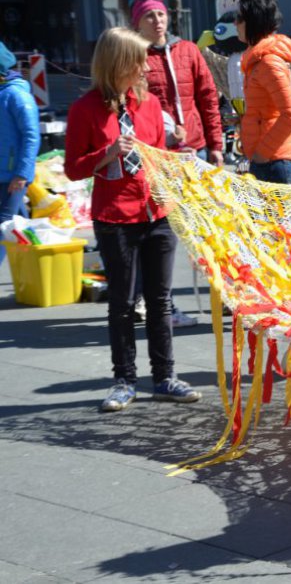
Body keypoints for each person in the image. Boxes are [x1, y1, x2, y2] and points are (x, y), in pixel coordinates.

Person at [64, 27, 201, 412]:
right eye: (139, 61)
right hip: (115, 217)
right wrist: (107, 153)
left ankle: (165, 377)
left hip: (157, 213)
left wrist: (177, 160)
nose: (146, 68)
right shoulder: (84, 109)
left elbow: (156, 157)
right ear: (118, 63)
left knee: (160, 301)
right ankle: (124, 381)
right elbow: (73, 169)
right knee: (123, 303)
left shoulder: (151, 105)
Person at [132, 0, 224, 328]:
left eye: (160, 14)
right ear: (137, 23)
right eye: (149, 16)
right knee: (160, 233)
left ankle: (224, 296)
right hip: (157, 157)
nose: (157, 21)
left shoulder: (187, 51)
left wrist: (216, 144)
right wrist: (164, 136)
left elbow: (208, 98)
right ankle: (157, 302)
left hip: (194, 152)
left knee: (206, 229)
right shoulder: (135, 56)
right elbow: (133, 108)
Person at [236, 0, 291, 184]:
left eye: (239, 18)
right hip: (271, 162)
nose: (234, 23)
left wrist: (262, 154)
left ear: (253, 21)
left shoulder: (269, 62)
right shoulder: (258, 60)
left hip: (276, 164)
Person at [0, 40, 39, 266]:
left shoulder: (16, 95)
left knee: (4, 223)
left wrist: (22, 173)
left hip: (13, 174)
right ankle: (37, 267)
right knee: (20, 224)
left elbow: (31, 136)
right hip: (4, 171)